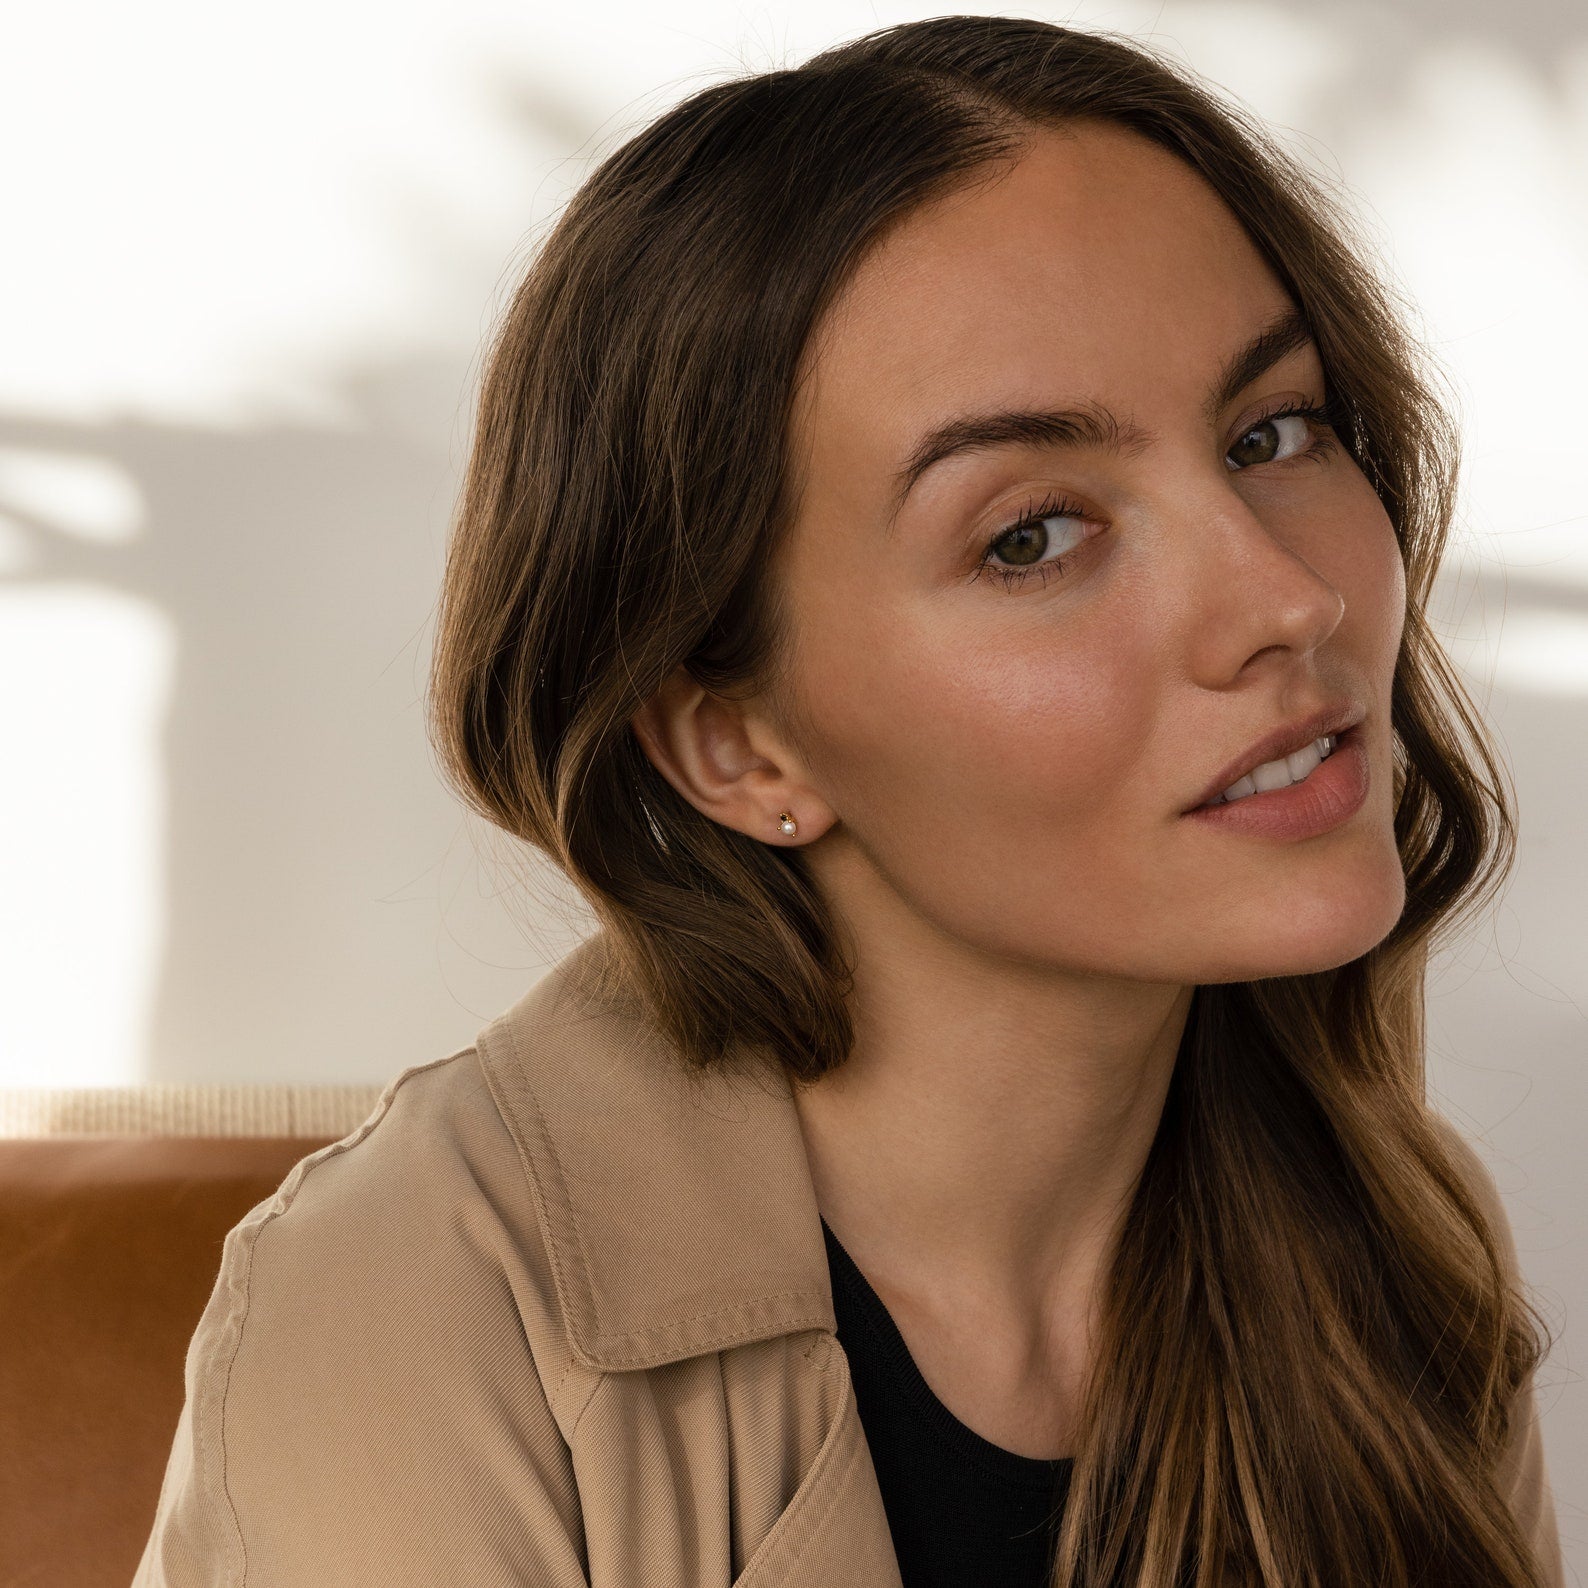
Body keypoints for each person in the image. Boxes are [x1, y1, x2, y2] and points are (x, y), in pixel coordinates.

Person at [134, 16, 1564, 1587]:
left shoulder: (1391, 1232)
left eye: (1271, 433)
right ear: (737, 748)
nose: (1285, 597)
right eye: (1031, 536)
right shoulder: (414, 1309)